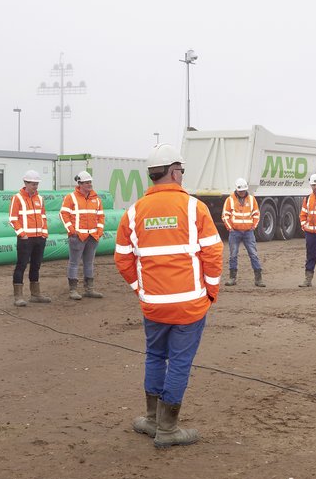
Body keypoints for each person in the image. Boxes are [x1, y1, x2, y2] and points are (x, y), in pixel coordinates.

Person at [116, 144, 222, 448]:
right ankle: (168, 429)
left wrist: (142, 290)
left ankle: (151, 420)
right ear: (174, 172)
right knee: (178, 363)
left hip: (154, 307)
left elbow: (123, 259)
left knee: (155, 357)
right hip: (190, 305)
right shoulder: (194, 208)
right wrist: (210, 293)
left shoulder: (134, 212)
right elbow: (213, 254)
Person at [60, 170, 106, 300]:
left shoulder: (96, 199)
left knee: (89, 263)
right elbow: (64, 214)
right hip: (77, 237)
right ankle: (73, 290)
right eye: (86, 183)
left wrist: (99, 231)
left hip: (92, 236)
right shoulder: (71, 197)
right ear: (79, 184)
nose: (89, 185)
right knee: (74, 263)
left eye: (90, 182)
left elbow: (100, 216)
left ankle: (89, 289)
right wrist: (72, 230)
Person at [10, 169, 51, 306]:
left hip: (39, 238)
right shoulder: (18, 198)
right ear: (26, 183)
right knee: (21, 265)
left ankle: (35, 294)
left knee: (36, 265)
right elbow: (13, 219)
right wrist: (22, 234)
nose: (35, 187)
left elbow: (43, 217)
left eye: (37, 184)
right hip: (25, 239)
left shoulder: (40, 198)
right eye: (33, 184)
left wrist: (44, 233)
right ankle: (18, 296)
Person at [221, 178, 264, 287]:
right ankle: (232, 278)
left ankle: (258, 279)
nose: (242, 193)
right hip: (234, 232)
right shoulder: (230, 200)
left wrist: (253, 226)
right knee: (233, 255)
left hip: (248, 232)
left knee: (253, 254)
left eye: (244, 190)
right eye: (240, 191)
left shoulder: (251, 199)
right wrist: (230, 228)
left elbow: (256, 214)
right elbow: (225, 215)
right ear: (236, 190)